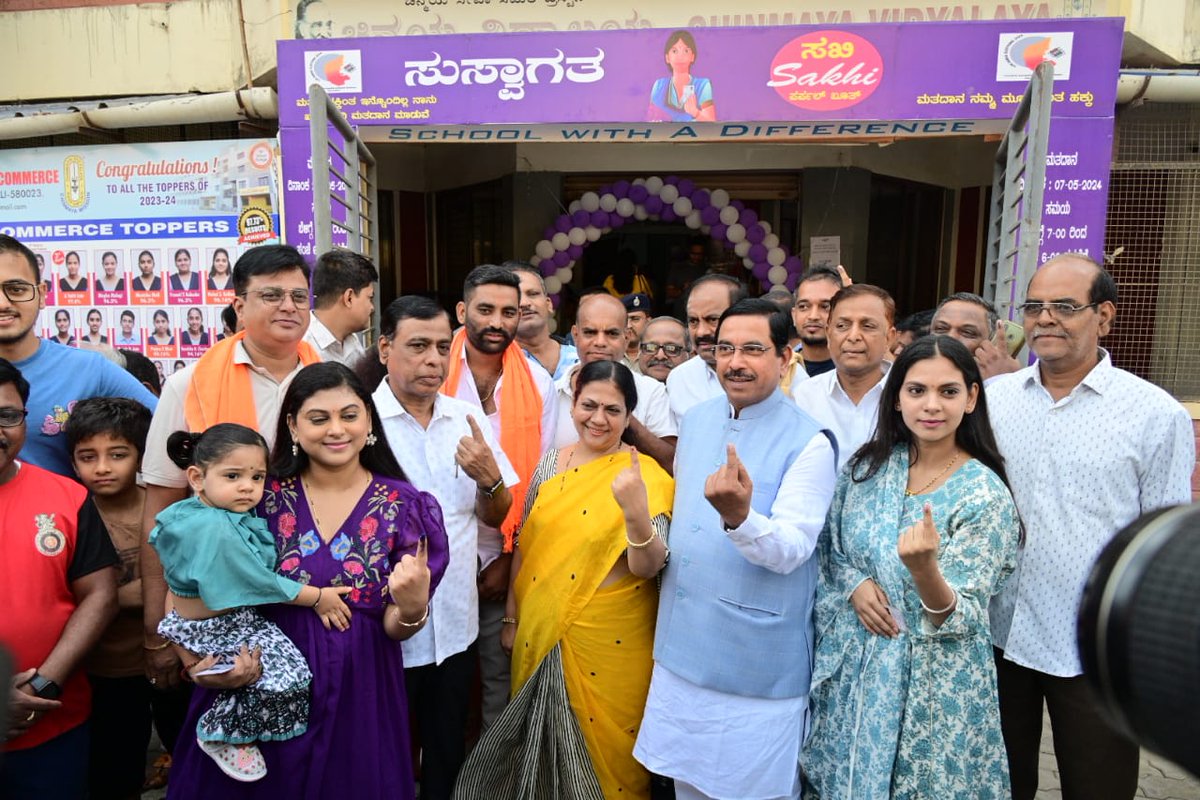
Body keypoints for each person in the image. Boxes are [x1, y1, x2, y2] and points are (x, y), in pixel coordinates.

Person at [165, 362, 450, 798]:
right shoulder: (257, 496)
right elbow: (185, 584)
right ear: (293, 427)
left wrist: (412, 606)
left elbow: (395, 626)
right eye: (319, 418)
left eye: (349, 415)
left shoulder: (403, 506)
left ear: (369, 422)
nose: (336, 429)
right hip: (259, 686)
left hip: (361, 688)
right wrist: (198, 666)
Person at [987, 255, 1195, 800]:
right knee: (1000, 785)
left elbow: (1165, 540)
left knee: (1097, 787)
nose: (1045, 318)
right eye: (1034, 306)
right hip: (996, 633)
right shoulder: (991, 402)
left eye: (1065, 307)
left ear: (1104, 316)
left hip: (1090, 646)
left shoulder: (1155, 414)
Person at [802, 335, 1022, 799]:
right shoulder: (867, 470)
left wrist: (925, 572)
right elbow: (829, 552)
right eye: (917, 390)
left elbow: (962, 617)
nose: (931, 406)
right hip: (858, 683)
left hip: (934, 693)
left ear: (972, 398)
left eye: (948, 391)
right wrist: (856, 585)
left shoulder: (983, 494)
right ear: (897, 398)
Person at [634, 299, 837, 800]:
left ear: (785, 357)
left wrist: (741, 518)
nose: (735, 362)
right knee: (687, 788)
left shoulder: (810, 441)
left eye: (752, 349)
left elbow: (793, 548)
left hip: (756, 662)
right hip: (683, 649)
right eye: (726, 349)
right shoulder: (699, 420)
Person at [458, 360, 675, 799]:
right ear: (572, 405)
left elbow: (652, 565)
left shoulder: (648, 476)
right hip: (539, 627)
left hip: (614, 641)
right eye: (589, 405)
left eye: (613, 410)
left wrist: (635, 513)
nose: (598, 418)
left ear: (630, 415)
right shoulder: (550, 465)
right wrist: (511, 620)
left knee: (611, 759)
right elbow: (526, 544)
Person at [140, 245, 320, 700]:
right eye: (271, 295)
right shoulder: (191, 383)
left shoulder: (330, 382)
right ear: (239, 306)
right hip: (218, 605)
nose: (288, 307)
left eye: (299, 296)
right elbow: (161, 508)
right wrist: (161, 632)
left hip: (309, 588)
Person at [372, 295, 517, 799]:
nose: (433, 359)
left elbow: (494, 515)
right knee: (381, 754)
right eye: (417, 346)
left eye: (440, 346)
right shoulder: (360, 425)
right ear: (385, 347)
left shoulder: (464, 420)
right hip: (381, 629)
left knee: (445, 751)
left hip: (455, 623)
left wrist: (490, 480)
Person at [150, 423, 350, 781]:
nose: (247, 486)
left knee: (272, 671)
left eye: (257, 477)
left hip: (210, 622)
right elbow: (259, 581)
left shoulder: (200, 513)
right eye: (233, 475)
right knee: (283, 676)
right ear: (197, 477)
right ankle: (223, 733)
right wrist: (317, 597)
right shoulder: (215, 528)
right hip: (217, 629)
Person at [441, 264, 558, 730]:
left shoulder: (538, 384)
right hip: (438, 558)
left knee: (498, 686)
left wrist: (509, 560)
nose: (497, 322)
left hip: (503, 562)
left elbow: (540, 482)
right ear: (462, 310)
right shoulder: (432, 373)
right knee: (441, 685)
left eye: (508, 312)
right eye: (485, 309)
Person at [0, 358, 120, 798]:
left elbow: (101, 595)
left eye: (8, 415)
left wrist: (42, 685)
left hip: (52, 725)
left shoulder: (66, 496)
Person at [65, 397, 179, 799]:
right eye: (87, 456)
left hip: (173, 665)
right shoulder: (71, 513)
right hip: (106, 672)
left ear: (141, 455)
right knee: (115, 771)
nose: (101, 467)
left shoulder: (163, 506)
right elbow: (81, 600)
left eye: (118, 454)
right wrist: (146, 589)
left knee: (189, 755)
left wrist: (114, 594)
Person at [0, 235, 158, 477]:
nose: (3, 303)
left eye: (16, 289)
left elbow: (167, 430)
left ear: (42, 294)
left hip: (67, 513)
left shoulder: (89, 370)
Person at [552, 294, 678, 473]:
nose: (600, 342)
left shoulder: (651, 391)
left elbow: (671, 463)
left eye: (611, 333)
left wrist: (621, 411)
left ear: (626, 338)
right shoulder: (552, 392)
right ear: (575, 335)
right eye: (590, 332)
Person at [792, 284, 896, 472]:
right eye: (842, 326)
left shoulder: (908, 393)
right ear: (829, 334)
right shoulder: (804, 396)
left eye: (868, 326)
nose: (853, 336)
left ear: (889, 337)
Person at [665, 273, 747, 421]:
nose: (701, 332)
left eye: (713, 319)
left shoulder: (778, 374)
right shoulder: (680, 379)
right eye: (693, 321)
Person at [303, 249, 377, 368]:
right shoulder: (300, 348)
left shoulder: (352, 342)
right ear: (349, 298)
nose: (372, 308)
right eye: (369, 298)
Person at [508, 261, 578, 381]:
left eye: (533, 294)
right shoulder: (496, 367)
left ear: (549, 304)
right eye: (515, 297)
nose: (524, 303)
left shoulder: (580, 359)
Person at [929, 292, 1021, 380]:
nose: (951, 337)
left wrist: (1000, 381)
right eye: (941, 329)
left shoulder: (1001, 385)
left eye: (967, 332)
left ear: (991, 344)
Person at [648, 30, 716, 122]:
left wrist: (696, 112)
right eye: (675, 51)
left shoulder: (703, 85)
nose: (680, 56)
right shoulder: (659, 86)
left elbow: (711, 122)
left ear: (692, 56)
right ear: (667, 57)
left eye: (686, 51)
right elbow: (650, 121)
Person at [791, 267, 843, 377]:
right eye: (803, 306)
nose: (813, 316)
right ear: (794, 315)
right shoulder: (777, 371)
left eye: (825, 307)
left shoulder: (860, 372)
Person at [665, 238, 710, 318]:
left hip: (703, 312)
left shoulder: (707, 269)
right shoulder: (678, 268)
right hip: (681, 313)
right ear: (688, 252)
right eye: (693, 254)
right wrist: (683, 288)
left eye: (699, 254)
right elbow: (669, 292)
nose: (696, 257)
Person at [637, 316, 690, 383]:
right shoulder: (623, 390)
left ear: (688, 354)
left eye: (671, 348)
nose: (660, 356)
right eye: (651, 347)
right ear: (639, 350)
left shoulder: (701, 391)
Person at [622, 292, 652, 371]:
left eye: (635, 319)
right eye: (624, 320)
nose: (628, 326)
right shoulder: (611, 354)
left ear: (648, 321)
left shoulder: (657, 354)